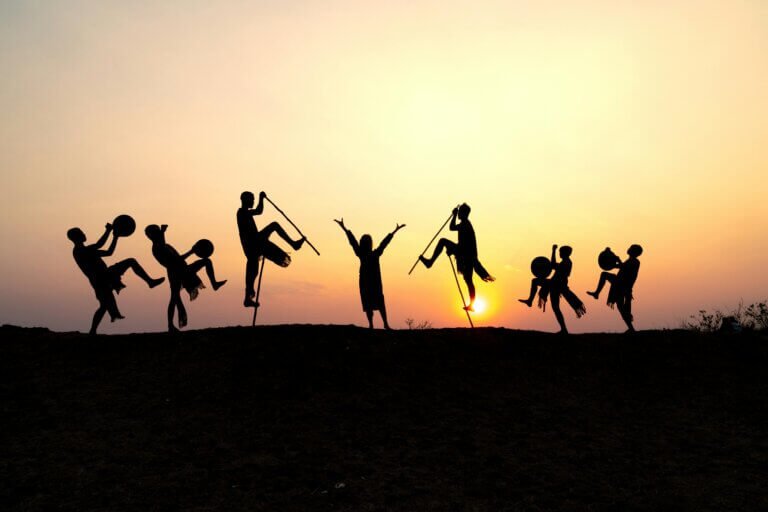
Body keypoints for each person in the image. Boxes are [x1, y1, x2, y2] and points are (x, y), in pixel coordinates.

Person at [67, 222, 164, 335]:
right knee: (104, 305)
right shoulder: (80, 251)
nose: (84, 234)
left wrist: (115, 237)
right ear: (77, 237)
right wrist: (108, 231)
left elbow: (109, 252)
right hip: (101, 279)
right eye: (81, 233)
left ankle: (92, 331)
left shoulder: (86, 250)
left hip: (105, 275)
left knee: (104, 305)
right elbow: (100, 244)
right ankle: (92, 331)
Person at [145, 224, 226, 332]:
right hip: (177, 274)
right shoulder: (157, 248)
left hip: (182, 270)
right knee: (174, 299)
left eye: (158, 231)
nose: (158, 233)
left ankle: (214, 284)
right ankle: (170, 325)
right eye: (156, 232)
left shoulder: (165, 246)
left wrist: (163, 233)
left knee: (174, 298)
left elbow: (177, 258)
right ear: (150, 236)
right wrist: (191, 252)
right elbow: (176, 260)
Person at [418, 203, 495, 311]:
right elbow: (462, 242)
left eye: (459, 213)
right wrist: (453, 251)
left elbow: (452, 228)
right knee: (468, 280)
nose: (458, 214)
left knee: (442, 241)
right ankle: (472, 304)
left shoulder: (465, 225)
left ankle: (430, 262)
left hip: (466, 255)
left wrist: (453, 215)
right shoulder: (465, 224)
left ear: (463, 213)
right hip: (467, 255)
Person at [237, 191, 305, 308]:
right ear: (246, 200)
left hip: (254, 244)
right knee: (274, 225)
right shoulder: (242, 213)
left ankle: (248, 298)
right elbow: (258, 212)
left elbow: (259, 211)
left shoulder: (245, 212)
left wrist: (261, 199)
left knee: (253, 271)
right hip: (253, 243)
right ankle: (293, 244)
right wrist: (261, 198)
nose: (253, 201)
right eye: (251, 199)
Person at [335, 218, 405, 329]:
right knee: (370, 303)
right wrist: (344, 228)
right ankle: (375, 324)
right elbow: (353, 241)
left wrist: (395, 231)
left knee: (377, 302)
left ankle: (383, 324)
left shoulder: (371, 253)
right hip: (367, 282)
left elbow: (383, 243)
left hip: (373, 282)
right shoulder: (366, 253)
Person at [587, 244, 643, 332]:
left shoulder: (635, 262)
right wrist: (611, 260)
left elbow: (623, 267)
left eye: (631, 248)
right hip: (621, 284)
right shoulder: (630, 261)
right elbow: (620, 266)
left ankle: (597, 293)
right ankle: (631, 329)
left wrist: (616, 259)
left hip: (622, 284)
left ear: (634, 252)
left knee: (604, 274)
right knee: (621, 307)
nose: (629, 249)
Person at [547, 244, 586, 334]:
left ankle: (564, 329)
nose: (559, 253)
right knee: (556, 308)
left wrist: (553, 250)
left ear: (564, 253)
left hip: (558, 285)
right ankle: (563, 329)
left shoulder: (566, 263)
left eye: (560, 252)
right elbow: (553, 265)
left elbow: (553, 265)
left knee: (556, 307)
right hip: (557, 284)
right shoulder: (565, 262)